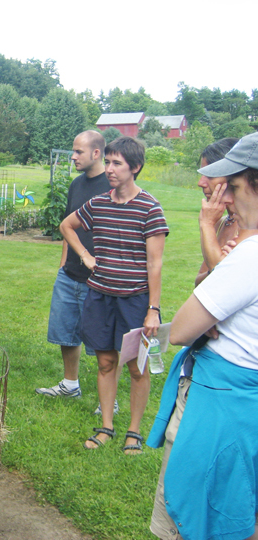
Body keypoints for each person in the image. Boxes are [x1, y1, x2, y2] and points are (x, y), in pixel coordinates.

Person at [148, 131, 258, 540]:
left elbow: (181, 330)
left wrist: (205, 229)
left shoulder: (250, 254)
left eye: (235, 186)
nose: (224, 197)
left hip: (221, 409)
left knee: (195, 514)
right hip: (246, 407)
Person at [59, 136, 168, 454]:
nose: (109, 169)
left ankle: (133, 432)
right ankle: (106, 426)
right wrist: (84, 255)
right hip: (100, 296)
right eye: (107, 162)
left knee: (136, 367)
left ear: (135, 167)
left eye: (117, 163)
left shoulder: (150, 208)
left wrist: (153, 309)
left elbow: (155, 262)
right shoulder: (99, 204)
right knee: (105, 363)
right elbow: (67, 225)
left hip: (134, 300)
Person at [36, 131, 113, 409]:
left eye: (79, 151)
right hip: (70, 274)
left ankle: (109, 398)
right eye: (73, 150)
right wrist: (62, 266)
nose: (73, 156)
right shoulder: (76, 185)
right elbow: (69, 229)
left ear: (96, 153)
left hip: (100, 278)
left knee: (104, 340)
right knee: (65, 331)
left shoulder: (112, 186)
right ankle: (70, 385)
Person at [195, 138, 240, 286]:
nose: (201, 183)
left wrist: (206, 224)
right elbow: (199, 283)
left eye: (210, 175)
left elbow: (224, 283)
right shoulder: (221, 223)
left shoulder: (251, 225)